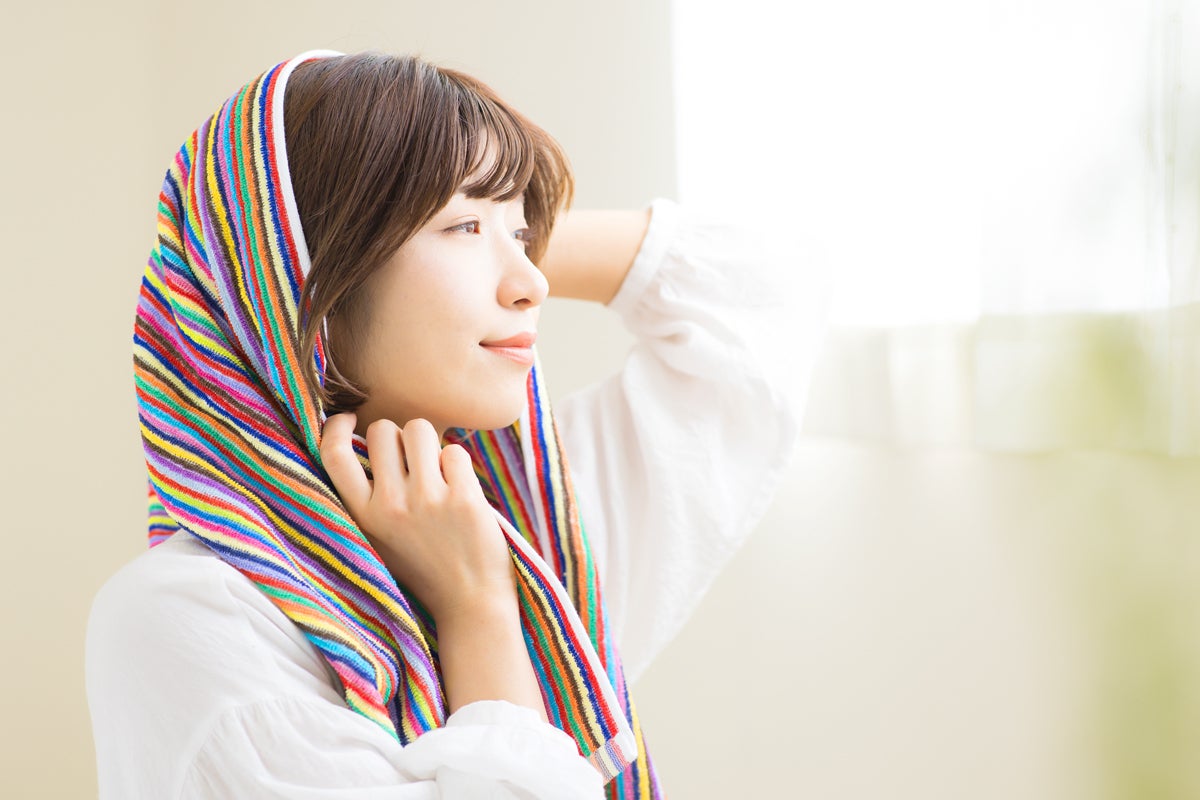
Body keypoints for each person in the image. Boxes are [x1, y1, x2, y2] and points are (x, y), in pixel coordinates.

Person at [85, 49, 828, 799]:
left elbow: (759, 298)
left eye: (523, 232)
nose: (533, 281)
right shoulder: (191, 617)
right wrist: (478, 607)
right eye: (464, 226)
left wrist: (475, 210)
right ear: (294, 277)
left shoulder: (541, 529)